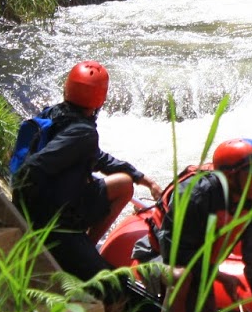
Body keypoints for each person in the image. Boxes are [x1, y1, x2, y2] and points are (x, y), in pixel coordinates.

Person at [11, 60, 160, 295]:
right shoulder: (83, 132)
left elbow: (98, 158)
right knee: (114, 288)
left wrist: (142, 179)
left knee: (124, 183)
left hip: (49, 205)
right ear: (101, 98)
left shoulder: (54, 114)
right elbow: (34, 168)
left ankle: (86, 246)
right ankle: (82, 248)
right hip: (56, 220)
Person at [135, 137, 252, 312]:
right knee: (181, 277)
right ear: (230, 176)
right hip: (155, 257)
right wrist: (220, 277)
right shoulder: (194, 196)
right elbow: (177, 256)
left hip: (200, 265)